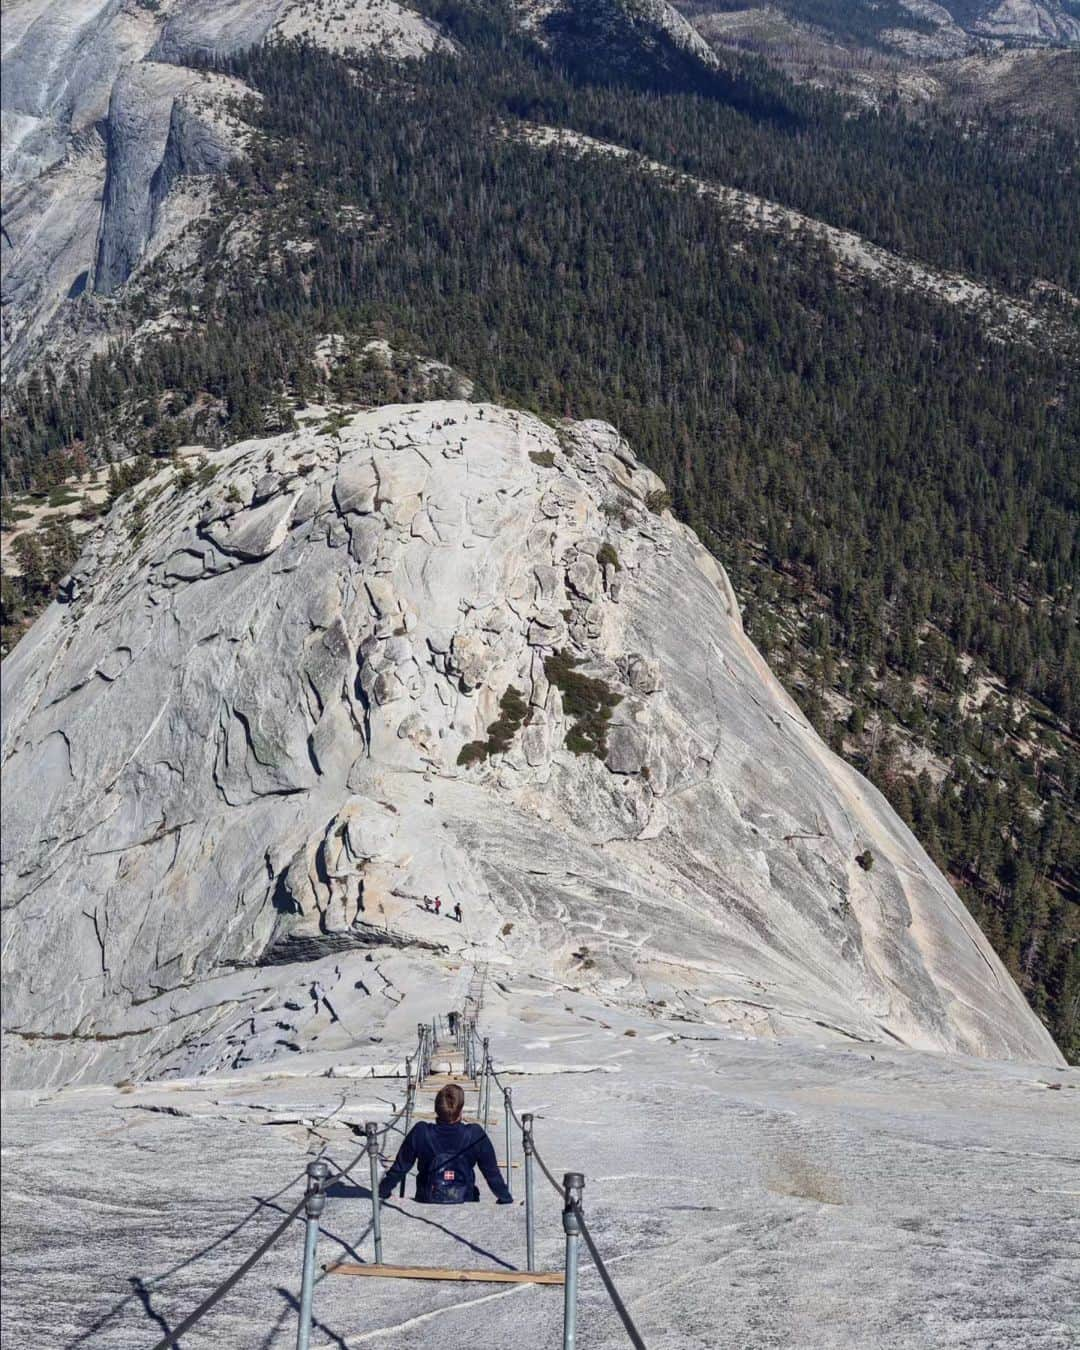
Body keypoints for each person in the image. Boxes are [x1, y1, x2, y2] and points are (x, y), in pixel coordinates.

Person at [378, 1084, 513, 1205]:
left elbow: (400, 1168)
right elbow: (492, 1174)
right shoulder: (474, 1134)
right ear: (460, 1111)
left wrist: (382, 1191)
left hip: (427, 1197)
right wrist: (506, 1198)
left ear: (436, 1109)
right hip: (465, 1197)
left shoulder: (421, 1132)